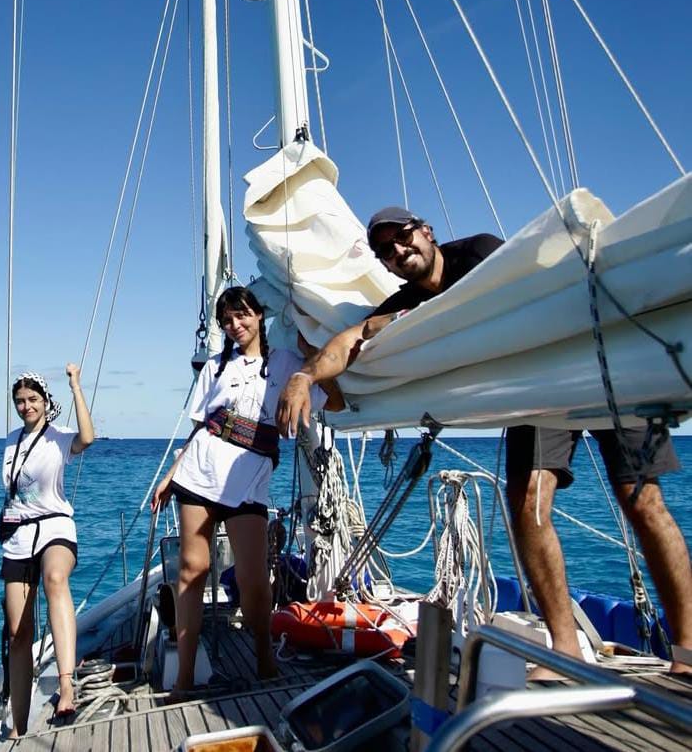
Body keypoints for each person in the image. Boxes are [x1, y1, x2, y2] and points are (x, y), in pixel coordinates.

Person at [276, 205, 692, 677]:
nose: (398, 250)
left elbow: (524, 289)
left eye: (404, 236)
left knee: (643, 502)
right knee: (528, 505)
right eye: (385, 249)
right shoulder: (402, 302)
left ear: (427, 232)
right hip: (536, 389)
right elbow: (351, 338)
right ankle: (563, 650)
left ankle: (688, 651)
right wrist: (304, 376)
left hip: (599, 360)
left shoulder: (480, 254)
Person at [151, 286, 326, 701]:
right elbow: (200, 426)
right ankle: (185, 677)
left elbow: (327, 398)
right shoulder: (214, 366)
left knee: (252, 575)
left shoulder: (285, 364)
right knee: (191, 571)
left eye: (242, 315)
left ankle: (265, 658)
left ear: (258, 315)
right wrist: (171, 473)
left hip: (249, 477)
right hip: (198, 473)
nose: (235, 325)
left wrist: (313, 350)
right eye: (227, 320)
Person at [0, 364, 94, 734]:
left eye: (33, 399)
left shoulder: (58, 436)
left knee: (55, 578)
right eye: (20, 401)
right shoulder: (10, 440)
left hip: (55, 526)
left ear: (44, 400)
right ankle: (20, 727)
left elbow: (88, 438)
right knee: (18, 633)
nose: (26, 406)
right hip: (18, 537)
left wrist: (75, 387)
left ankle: (67, 684)